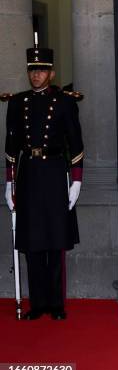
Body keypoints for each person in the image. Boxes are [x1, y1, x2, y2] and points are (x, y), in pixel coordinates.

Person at [4, 44, 84, 320]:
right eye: (32, 70)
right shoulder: (17, 103)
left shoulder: (64, 102)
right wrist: (8, 182)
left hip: (53, 172)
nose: (36, 75)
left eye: (41, 70)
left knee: (55, 240)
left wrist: (76, 182)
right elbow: (11, 145)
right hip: (29, 174)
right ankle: (37, 304)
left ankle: (56, 304)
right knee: (32, 242)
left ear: (51, 73)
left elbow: (75, 143)